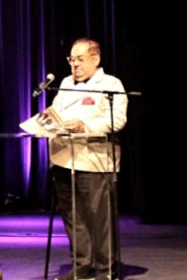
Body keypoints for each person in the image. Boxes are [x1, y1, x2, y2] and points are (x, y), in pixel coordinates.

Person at [45, 38, 127, 280]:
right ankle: (82, 265)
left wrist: (84, 125)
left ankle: (106, 270)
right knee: (73, 217)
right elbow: (55, 111)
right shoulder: (65, 83)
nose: (75, 65)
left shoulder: (111, 83)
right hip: (63, 160)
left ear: (95, 59)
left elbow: (118, 120)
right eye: (72, 60)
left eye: (80, 60)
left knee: (100, 218)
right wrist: (47, 123)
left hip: (94, 160)